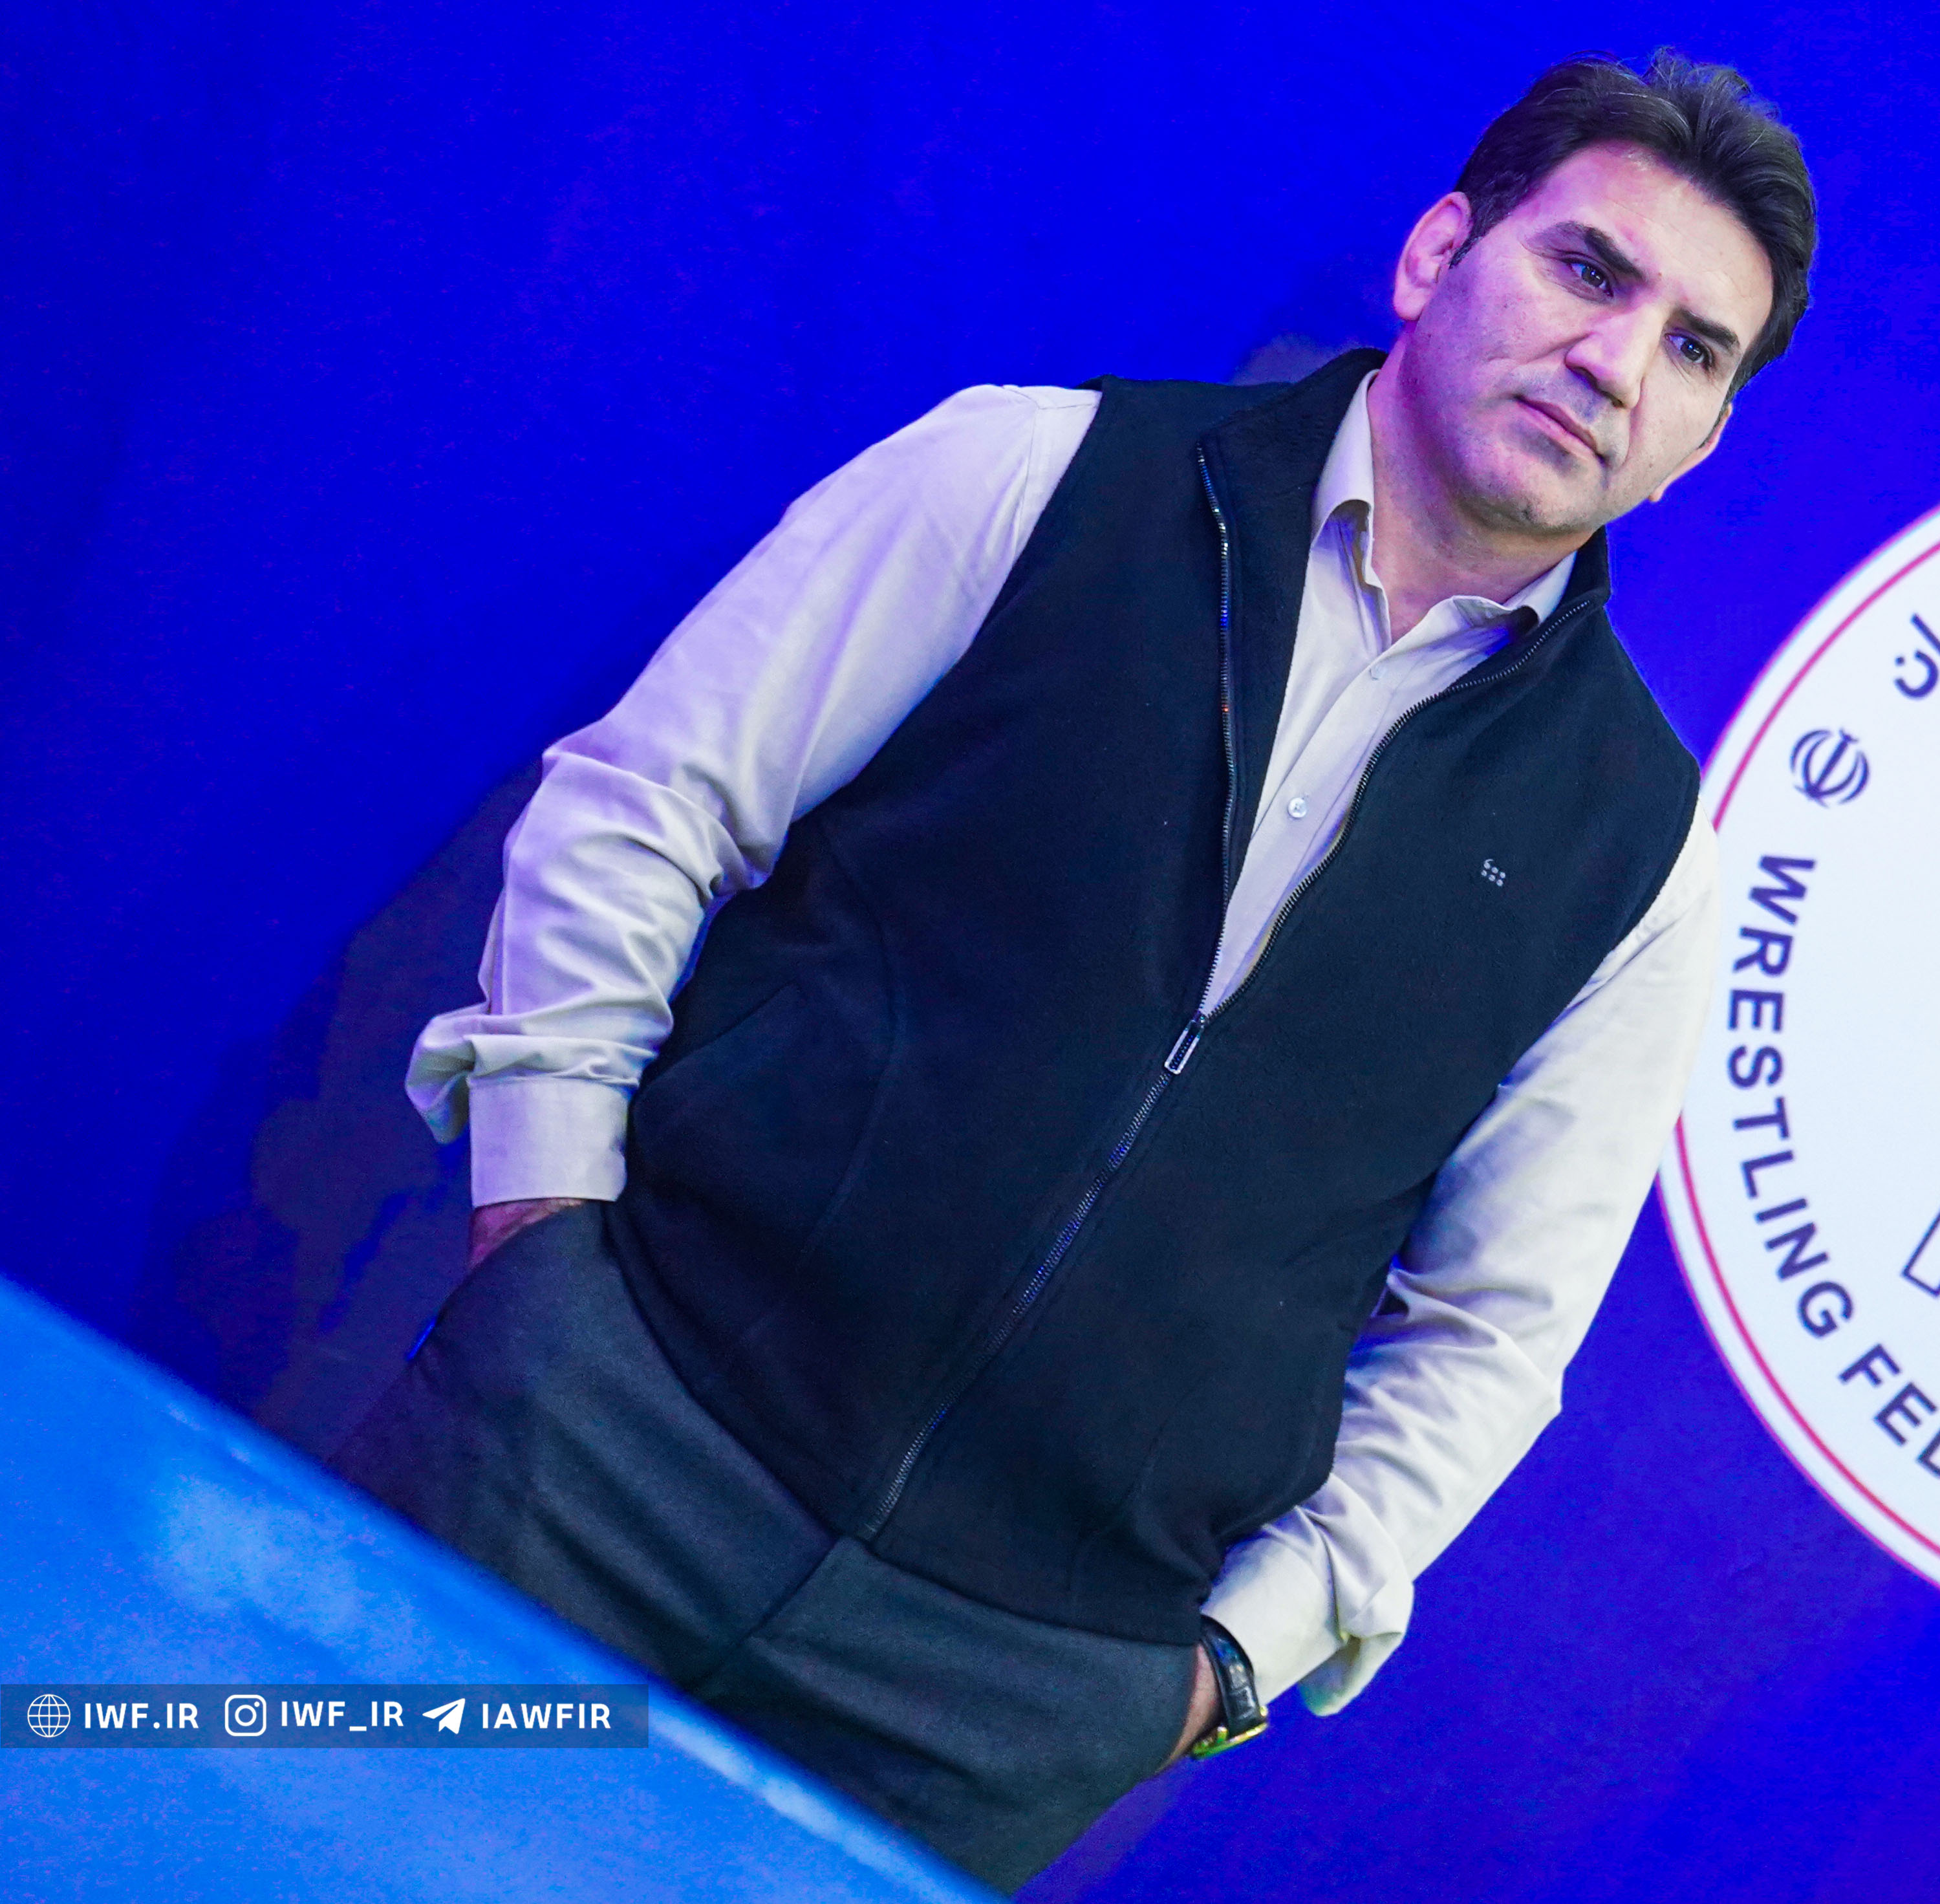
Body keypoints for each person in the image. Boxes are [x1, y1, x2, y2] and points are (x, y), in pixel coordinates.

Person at [331, 52, 1815, 1891]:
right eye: (1589, 270)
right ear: (1440, 254)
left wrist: (1226, 1664)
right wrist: (542, 1251)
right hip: (598, 1445)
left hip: (999, 1697)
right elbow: (651, 806)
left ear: (1703, 439)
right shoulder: (1040, 472)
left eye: (1693, 349)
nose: (1615, 360)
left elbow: (1497, 1327)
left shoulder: (1639, 851)